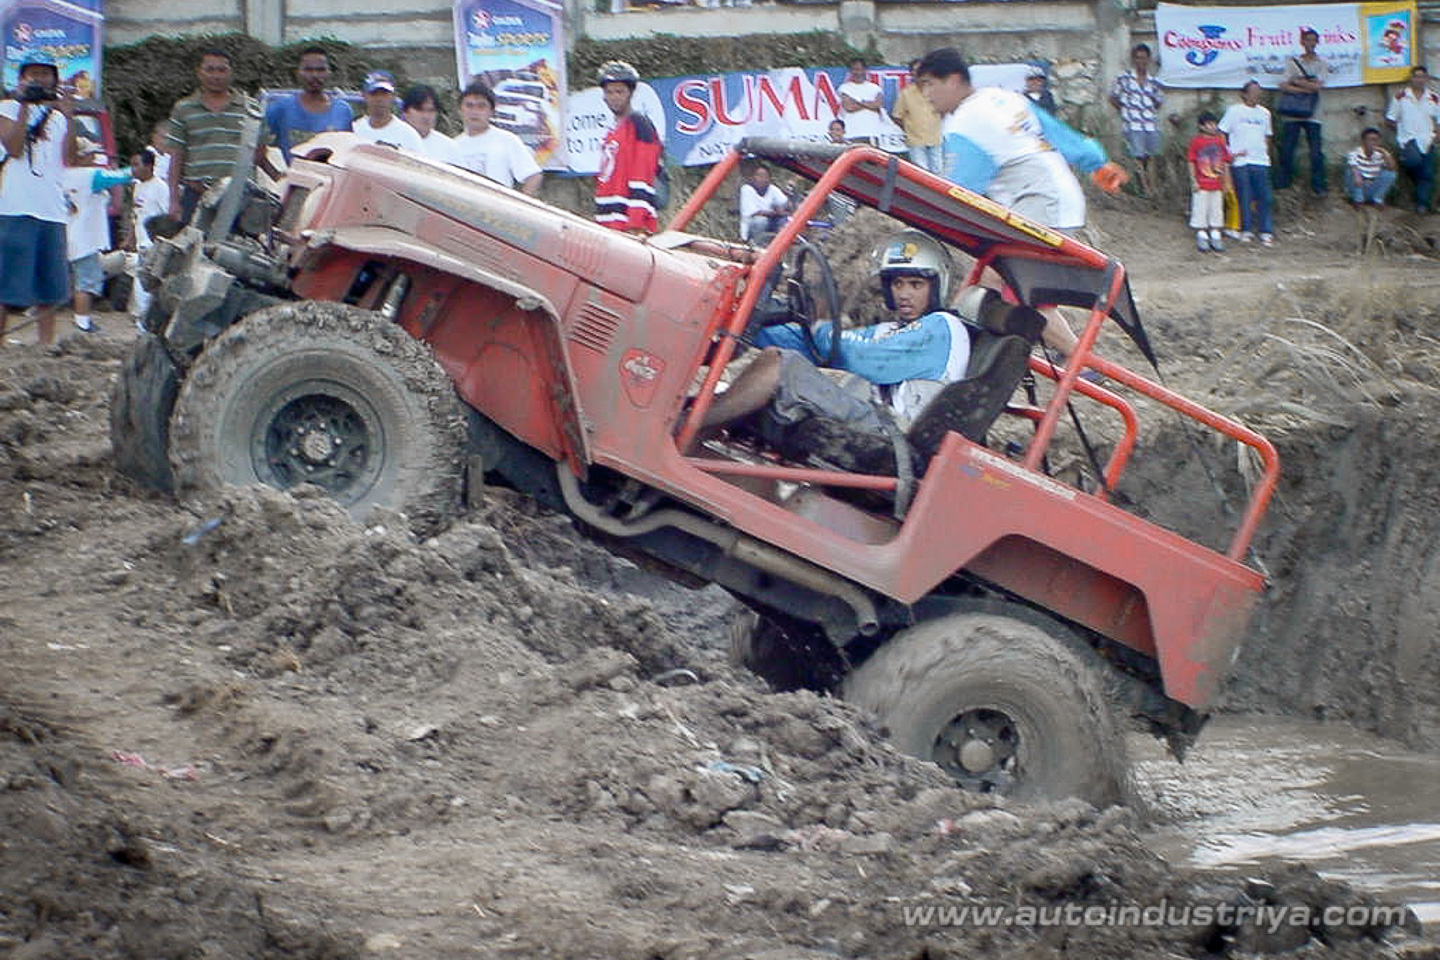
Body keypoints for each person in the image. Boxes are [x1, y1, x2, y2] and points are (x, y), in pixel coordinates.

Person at [915, 46, 1126, 365]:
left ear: (954, 80)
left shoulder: (965, 121)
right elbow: (1058, 133)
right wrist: (1097, 163)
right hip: (1057, 193)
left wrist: (924, 220)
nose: (926, 95)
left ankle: (1082, 360)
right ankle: (956, 346)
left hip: (1039, 199)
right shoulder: (1005, 98)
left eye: (929, 85)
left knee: (1010, 282)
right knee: (1003, 280)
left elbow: (958, 188)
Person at [701, 230, 971, 443]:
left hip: (895, 431)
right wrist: (750, 322)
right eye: (897, 284)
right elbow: (819, 344)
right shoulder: (889, 331)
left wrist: (819, 326)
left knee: (780, 365)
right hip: (874, 417)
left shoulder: (943, 327)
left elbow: (860, 356)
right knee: (775, 366)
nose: (904, 294)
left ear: (936, 287)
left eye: (916, 284)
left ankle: (690, 426)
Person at [0, 52, 79, 346]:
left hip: (51, 210)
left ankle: (46, 345)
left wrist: (69, 116)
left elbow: (70, 158)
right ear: (21, 79)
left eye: (45, 74)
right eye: (32, 74)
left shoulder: (58, 116)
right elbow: (15, 147)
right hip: (15, 208)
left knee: (50, 287)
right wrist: (22, 106)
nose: (39, 79)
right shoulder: (7, 108)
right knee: (5, 285)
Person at [164, 48, 262, 222]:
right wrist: (173, 200)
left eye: (222, 70)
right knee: (193, 246)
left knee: (240, 247)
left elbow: (260, 152)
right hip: (196, 194)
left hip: (240, 197)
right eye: (210, 70)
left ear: (231, 73)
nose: (216, 76)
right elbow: (176, 157)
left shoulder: (251, 108)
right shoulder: (184, 109)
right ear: (199, 72)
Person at [257, 46, 353, 177]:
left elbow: (347, 156)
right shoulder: (280, 109)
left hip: (331, 190)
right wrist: (279, 179)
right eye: (308, 70)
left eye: (320, 70)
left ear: (329, 73)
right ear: (298, 73)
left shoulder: (343, 111)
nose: (314, 75)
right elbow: (257, 152)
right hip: (295, 190)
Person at [62, 140, 127, 333]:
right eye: (90, 154)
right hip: (85, 238)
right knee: (86, 282)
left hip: (69, 233)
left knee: (73, 279)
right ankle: (83, 323)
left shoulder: (62, 175)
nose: (93, 157)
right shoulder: (89, 175)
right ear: (80, 156)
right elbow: (122, 176)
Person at [594, 61, 662, 234]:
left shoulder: (640, 125)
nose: (614, 97)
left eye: (620, 91)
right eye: (609, 92)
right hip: (607, 221)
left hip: (628, 224)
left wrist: (636, 224)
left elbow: (643, 175)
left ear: (631, 93)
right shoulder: (611, 131)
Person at [452, 80, 542, 195]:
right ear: (461, 110)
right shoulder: (453, 146)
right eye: (469, 106)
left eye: (481, 106)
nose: (474, 112)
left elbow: (533, 176)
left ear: (492, 111)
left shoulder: (507, 140)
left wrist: (517, 207)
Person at [1219, 80, 1275, 245]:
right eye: (1252, 91)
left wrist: (1264, 151)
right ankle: (1246, 229)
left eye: (1259, 91)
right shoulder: (1234, 111)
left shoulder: (1265, 113)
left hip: (1261, 161)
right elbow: (1222, 133)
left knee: (1264, 196)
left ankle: (1266, 230)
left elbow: (1267, 136)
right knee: (1244, 196)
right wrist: (1229, 154)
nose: (1256, 95)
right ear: (1244, 94)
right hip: (1241, 161)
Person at [1275, 28, 1328, 196]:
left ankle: (1318, 186)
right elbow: (1283, 84)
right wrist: (1305, 89)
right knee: (1287, 149)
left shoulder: (1322, 63)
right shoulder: (1292, 61)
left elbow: (1318, 86)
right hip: (1292, 113)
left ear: (1317, 42)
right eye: (1308, 40)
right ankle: (1283, 183)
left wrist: (1297, 81)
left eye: (1314, 40)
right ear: (1302, 42)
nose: (1311, 43)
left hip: (1313, 114)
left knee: (1316, 152)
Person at [1109, 43, 1164, 196]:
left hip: (1150, 124)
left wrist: (1148, 106)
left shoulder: (1153, 81)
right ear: (1133, 59)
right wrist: (1126, 110)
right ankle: (1143, 189)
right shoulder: (1124, 78)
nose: (1141, 61)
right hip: (1132, 124)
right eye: (1138, 58)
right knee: (1137, 156)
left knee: (1151, 157)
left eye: (1144, 58)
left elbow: (1159, 102)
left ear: (1149, 60)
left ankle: (1151, 187)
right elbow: (1113, 97)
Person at [1385, 65, 1440, 213]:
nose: (1419, 80)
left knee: (1427, 174)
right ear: (1412, 78)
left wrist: (1437, 136)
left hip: (1428, 140)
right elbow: (1390, 119)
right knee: (1412, 163)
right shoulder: (1401, 96)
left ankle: (1422, 205)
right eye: (1416, 76)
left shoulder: (1434, 98)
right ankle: (1418, 190)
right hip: (1408, 140)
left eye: (1422, 77)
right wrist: (1401, 132)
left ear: (1426, 79)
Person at [125, 147, 170, 326]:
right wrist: (130, 238)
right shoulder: (137, 186)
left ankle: (146, 323)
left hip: (153, 245)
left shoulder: (160, 187)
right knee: (140, 285)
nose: (133, 169)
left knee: (146, 285)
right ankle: (142, 323)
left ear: (149, 166)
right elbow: (135, 215)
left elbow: (166, 215)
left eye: (136, 165)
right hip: (141, 244)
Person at [1187, 112, 1232, 252]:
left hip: (1217, 183)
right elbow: (1191, 162)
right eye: (1209, 124)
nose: (1213, 127)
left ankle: (1215, 233)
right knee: (1200, 208)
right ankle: (1202, 233)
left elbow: (1225, 162)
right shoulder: (1196, 142)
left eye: (1214, 124)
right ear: (1202, 126)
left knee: (1216, 208)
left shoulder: (1219, 141)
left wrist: (1227, 181)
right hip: (1202, 183)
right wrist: (1193, 180)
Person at [891, 59, 942, 173]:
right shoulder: (906, 93)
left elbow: (945, 110)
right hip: (915, 140)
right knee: (920, 173)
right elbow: (897, 116)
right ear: (911, 73)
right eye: (915, 70)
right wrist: (910, 128)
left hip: (935, 138)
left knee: (939, 173)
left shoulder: (936, 90)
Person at [353, 71, 424, 152]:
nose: (379, 99)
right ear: (364, 96)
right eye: (374, 94)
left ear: (393, 96)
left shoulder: (408, 135)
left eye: (384, 94)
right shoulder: (355, 130)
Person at [401, 84, 459, 163]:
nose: (426, 116)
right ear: (405, 112)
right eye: (419, 110)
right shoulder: (394, 140)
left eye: (431, 110)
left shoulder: (448, 146)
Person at [837, 58, 884, 146]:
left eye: (859, 69)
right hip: (852, 134)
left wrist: (857, 102)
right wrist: (868, 104)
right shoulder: (844, 88)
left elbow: (877, 105)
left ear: (865, 70)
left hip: (872, 133)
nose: (857, 73)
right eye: (854, 69)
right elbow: (849, 107)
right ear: (850, 71)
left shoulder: (875, 88)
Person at [1346, 127, 1398, 206]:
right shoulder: (1354, 153)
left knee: (1390, 174)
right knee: (1351, 172)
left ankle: (1377, 199)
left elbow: (1392, 168)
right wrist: (1357, 176)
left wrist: (1385, 153)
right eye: (1370, 139)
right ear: (1363, 141)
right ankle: (1358, 200)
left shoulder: (1379, 155)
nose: (1373, 142)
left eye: (1375, 140)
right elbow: (1352, 166)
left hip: (1371, 188)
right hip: (1357, 187)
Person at [738, 163, 791, 240]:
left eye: (765, 176)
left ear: (769, 178)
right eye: (759, 175)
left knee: (784, 221)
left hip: (770, 221)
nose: (762, 179)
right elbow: (755, 212)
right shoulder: (746, 189)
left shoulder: (772, 189)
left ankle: (779, 245)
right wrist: (776, 213)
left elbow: (785, 203)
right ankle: (757, 244)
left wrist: (783, 208)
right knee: (761, 221)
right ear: (753, 177)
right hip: (752, 225)